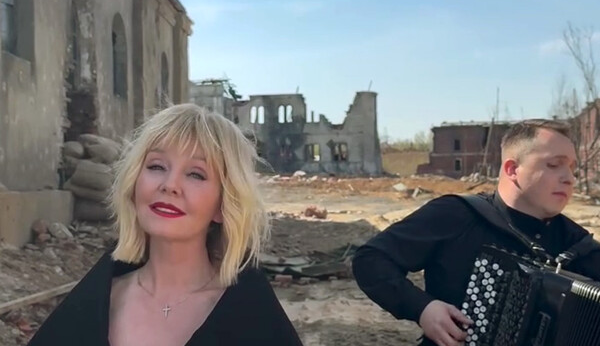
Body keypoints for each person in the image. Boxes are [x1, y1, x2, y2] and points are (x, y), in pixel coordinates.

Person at [28, 103, 303, 346]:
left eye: (196, 174)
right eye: (157, 166)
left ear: (223, 205)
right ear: (134, 184)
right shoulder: (91, 303)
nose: (170, 185)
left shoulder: (253, 316)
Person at [352, 119, 600, 346]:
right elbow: (371, 260)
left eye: (572, 169)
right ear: (512, 169)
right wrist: (423, 308)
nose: (569, 178)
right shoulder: (457, 215)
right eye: (554, 165)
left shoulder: (579, 245)